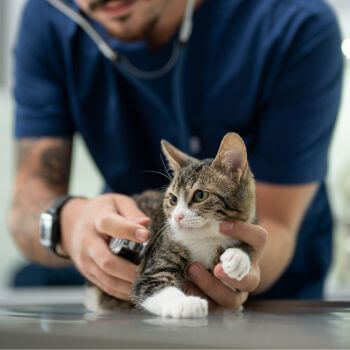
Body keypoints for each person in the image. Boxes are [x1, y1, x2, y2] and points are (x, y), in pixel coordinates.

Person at [8, 0, 343, 308]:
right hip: (136, 286)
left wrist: (231, 268)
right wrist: (69, 223)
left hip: (275, 302)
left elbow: (274, 225)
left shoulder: (296, 23)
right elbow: (26, 207)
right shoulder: (49, 16)